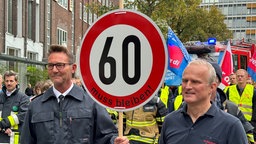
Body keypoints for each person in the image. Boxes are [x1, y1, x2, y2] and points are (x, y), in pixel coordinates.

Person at [20, 44, 129, 144]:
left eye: (60, 65)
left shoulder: (91, 104)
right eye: (50, 65)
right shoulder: (36, 106)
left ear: (73, 68)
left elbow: (106, 137)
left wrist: (115, 141)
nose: (54, 70)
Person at [159, 59, 248, 144]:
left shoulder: (231, 126)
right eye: (185, 81)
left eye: (195, 82)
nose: (188, 86)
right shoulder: (170, 121)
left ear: (212, 87)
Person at [225, 69, 256, 141]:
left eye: (242, 76)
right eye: (238, 76)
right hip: (233, 122)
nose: (240, 78)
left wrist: (253, 127)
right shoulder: (229, 90)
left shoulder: (253, 91)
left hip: (249, 124)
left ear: (246, 77)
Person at [0, 70, 30, 144]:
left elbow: (23, 116)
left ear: (16, 82)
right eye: (7, 81)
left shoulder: (23, 98)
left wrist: (3, 123)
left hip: (13, 138)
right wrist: (3, 127)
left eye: (11, 81)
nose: (9, 83)